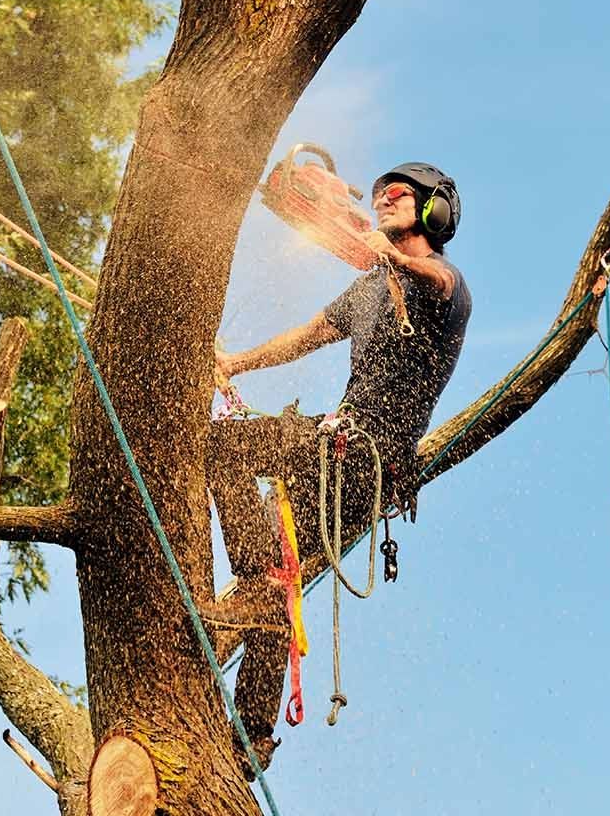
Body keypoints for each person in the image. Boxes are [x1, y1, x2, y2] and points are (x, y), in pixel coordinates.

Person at [206, 162, 472, 777]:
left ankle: (255, 573)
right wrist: (234, 362)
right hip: (329, 452)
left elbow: (437, 277)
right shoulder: (369, 287)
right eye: (379, 197)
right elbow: (306, 336)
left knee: (223, 449)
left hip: (365, 462)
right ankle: (252, 732)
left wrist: (393, 256)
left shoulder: (441, 285)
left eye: (399, 196)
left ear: (434, 211)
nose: (384, 201)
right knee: (273, 579)